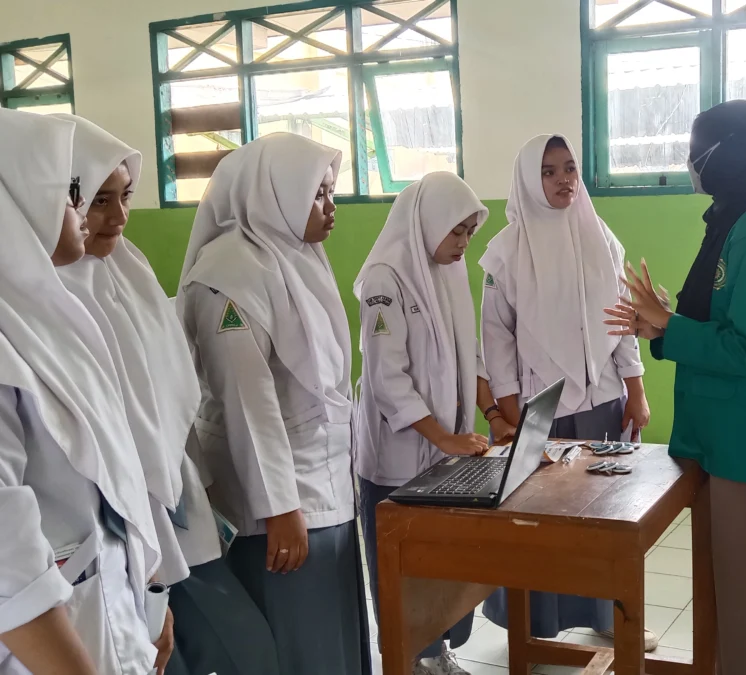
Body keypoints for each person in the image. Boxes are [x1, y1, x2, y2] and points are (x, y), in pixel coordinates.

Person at [52, 114, 280, 675]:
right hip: (108, 528)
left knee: (232, 648)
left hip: (172, 502)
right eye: (98, 201)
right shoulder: (47, 295)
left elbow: (170, 387)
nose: (118, 218)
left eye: (125, 197)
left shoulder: (127, 270)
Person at [604, 100, 746, 675]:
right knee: (730, 586)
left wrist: (669, 326)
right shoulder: (733, 219)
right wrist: (663, 324)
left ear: (727, 155)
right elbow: (718, 324)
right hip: (725, 432)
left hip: (745, 435)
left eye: (698, 152)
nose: (691, 164)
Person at [177, 133, 368, 675]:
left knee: (331, 635)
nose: (331, 209)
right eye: (318, 195)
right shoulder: (230, 274)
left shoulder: (296, 256)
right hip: (276, 507)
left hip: (323, 485)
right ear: (274, 193)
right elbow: (245, 401)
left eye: (331, 193)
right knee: (296, 643)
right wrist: (280, 508)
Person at [0, 109, 163, 674]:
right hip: (52, 647)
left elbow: (116, 468)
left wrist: (150, 591)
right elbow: (6, 554)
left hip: (107, 606)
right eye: (72, 193)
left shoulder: (45, 317)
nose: (84, 210)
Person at [478, 134, 656, 650]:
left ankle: (609, 615)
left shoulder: (599, 236)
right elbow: (497, 342)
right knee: (540, 524)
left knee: (607, 518)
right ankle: (534, 632)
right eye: (549, 171)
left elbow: (622, 324)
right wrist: (512, 417)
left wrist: (636, 390)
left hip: (603, 401)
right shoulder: (505, 252)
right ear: (529, 181)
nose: (563, 181)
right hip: (543, 408)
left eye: (570, 169)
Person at [355, 172, 515, 675]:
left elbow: (470, 355)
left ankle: (437, 651)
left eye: (470, 232)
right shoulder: (387, 278)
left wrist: (491, 417)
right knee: (402, 568)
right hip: (399, 456)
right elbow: (387, 378)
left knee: (441, 565)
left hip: (447, 450)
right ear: (427, 223)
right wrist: (443, 437)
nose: (465, 243)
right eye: (457, 231)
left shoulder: (447, 270)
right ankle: (409, 658)